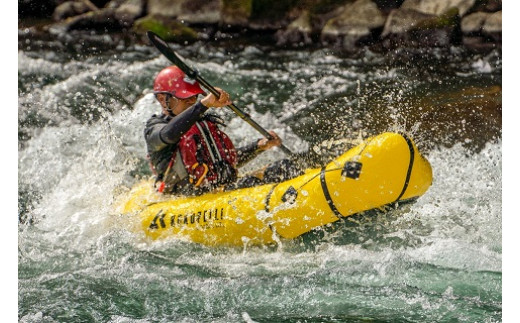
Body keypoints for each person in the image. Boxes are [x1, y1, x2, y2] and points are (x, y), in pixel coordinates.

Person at [144, 65, 301, 195]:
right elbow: (168, 135)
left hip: (220, 189)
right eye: (185, 97)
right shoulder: (155, 128)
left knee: (287, 167)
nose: (192, 101)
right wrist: (203, 105)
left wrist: (259, 146)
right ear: (162, 99)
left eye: (194, 97)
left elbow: (225, 161)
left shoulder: (201, 123)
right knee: (251, 183)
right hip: (187, 199)